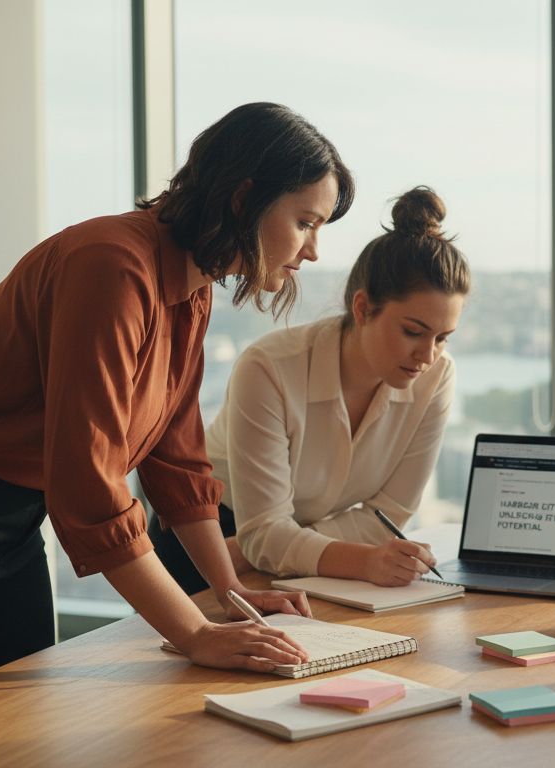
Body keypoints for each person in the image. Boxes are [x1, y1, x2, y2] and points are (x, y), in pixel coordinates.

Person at [0, 102, 353, 717]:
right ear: (244, 200)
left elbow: (176, 461)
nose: (313, 250)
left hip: (14, 526)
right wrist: (194, 633)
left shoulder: (189, 285)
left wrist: (231, 592)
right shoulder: (112, 264)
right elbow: (89, 481)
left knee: (19, 738)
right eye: (306, 222)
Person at [150, 186, 469, 591]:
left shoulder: (437, 375)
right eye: (413, 332)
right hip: (208, 544)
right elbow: (263, 530)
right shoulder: (268, 368)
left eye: (443, 337)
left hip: (256, 549)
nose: (427, 355)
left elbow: (391, 513)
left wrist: (280, 543)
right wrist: (355, 558)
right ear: (361, 308)